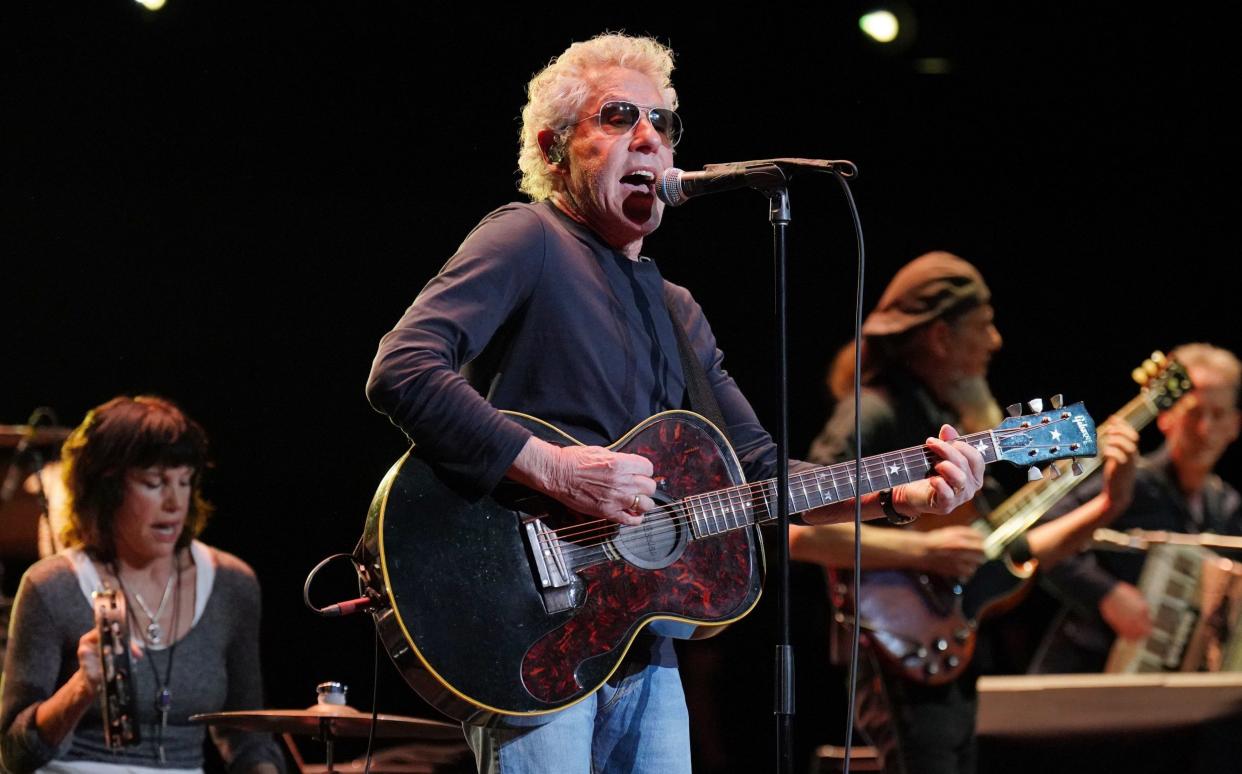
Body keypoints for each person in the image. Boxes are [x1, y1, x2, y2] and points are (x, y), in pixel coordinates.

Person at [364, 33, 986, 774]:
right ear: (554, 146)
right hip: (528, 619)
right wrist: (558, 471)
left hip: (640, 642)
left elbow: (758, 469)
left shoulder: (678, 310)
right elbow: (401, 368)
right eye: (619, 116)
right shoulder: (526, 236)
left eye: (662, 123)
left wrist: (900, 493)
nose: (650, 138)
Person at [789, 251, 1138, 774]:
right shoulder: (874, 410)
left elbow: (1010, 550)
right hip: (893, 656)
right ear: (940, 337)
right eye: (984, 325)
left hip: (949, 654)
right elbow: (799, 532)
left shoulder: (950, 421)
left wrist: (1111, 503)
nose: (996, 340)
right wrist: (923, 548)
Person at [0, 395, 285, 774]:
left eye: (184, 482)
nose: (174, 503)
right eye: (154, 483)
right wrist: (81, 687)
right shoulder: (52, 586)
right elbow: (13, 754)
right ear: (107, 490)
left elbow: (248, 737)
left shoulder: (232, 584)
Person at [1032, 342, 1242, 674]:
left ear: (1235, 425)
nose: (1205, 430)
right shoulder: (1130, 477)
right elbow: (1038, 535)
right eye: (1194, 413)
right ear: (1166, 417)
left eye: (1218, 416)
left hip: (1168, 693)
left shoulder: (1226, 505)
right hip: (1086, 670)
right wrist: (1107, 593)